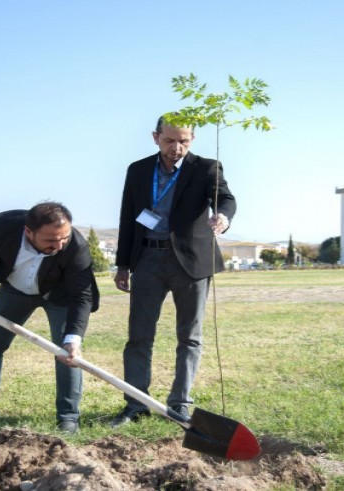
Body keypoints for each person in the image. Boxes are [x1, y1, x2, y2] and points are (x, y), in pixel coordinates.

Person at [110, 115, 236, 427]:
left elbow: (227, 198)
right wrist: (123, 265)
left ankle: (180, 405)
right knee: (139, 336)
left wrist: (223, 217)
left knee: (189, 337)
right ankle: (136, 405)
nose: (176, 148)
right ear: (155, 137)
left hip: (192, 263)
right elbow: (128, 217)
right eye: (169, 140)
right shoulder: (138, 170)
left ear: (192, 139)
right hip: (147, 261)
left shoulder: (207, 167)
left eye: (184, 141)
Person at [0, 202, 99, 434]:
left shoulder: (76, 246)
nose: (59, 246)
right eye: (50, 240)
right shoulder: (1, 225)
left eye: (64, 238)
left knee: (66, 353)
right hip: (15, 289)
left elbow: (82, 295)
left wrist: (73, 338)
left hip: (61, 295)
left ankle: (68, 419)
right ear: (28, 232)